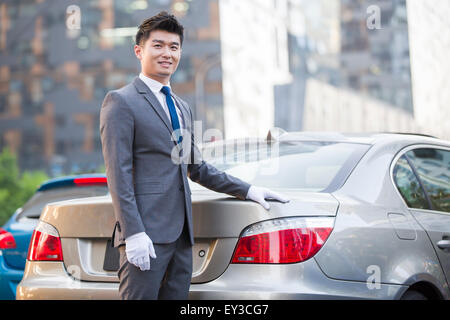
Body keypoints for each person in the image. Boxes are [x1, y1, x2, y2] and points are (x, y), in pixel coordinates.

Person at [99, 11, 289, 300]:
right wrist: (134, 233)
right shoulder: (121, 101)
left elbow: (196, 167)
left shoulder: (180, 106)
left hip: (182, 238)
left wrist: (249, 190)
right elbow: (118, 174)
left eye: (174, 47)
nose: (167, 54)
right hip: (145, 236)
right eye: (158, 45)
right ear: (139, 51)